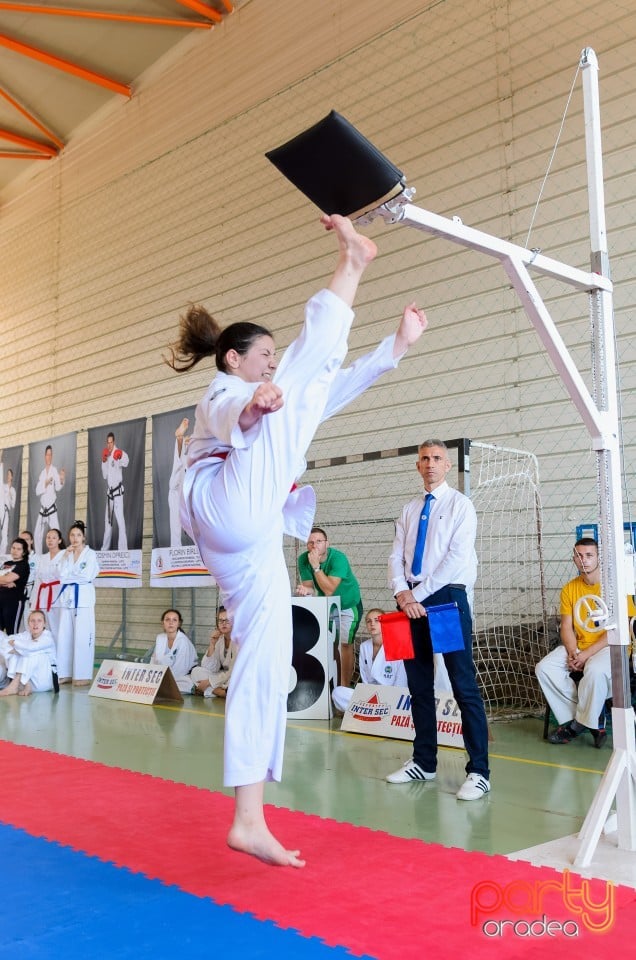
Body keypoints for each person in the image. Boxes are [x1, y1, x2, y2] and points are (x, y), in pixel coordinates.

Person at [168, 213, 427, 867]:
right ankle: (353, 263)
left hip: (242, 540)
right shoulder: (227, 389)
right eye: (264, 356)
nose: (271, 364)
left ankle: (249, 816)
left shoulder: (281, 393)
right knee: (295, 400)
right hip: (222, 504)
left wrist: (394, 348)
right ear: (234, 357)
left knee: (269, 653)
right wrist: (253, 405)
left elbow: (332, 385)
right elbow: (227, 409)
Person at [386, 439, 490, 801]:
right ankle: (424, 761)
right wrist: (402, 593)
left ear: (448, 466)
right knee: (418, 686)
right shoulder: (410, 508)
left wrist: (418, 595)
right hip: (410, 603)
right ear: (418, 466)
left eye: (437, 459)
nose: (430, 464)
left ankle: (479, 771)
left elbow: (456, 559)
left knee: (462, 684)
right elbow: (396, 555)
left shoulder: (462, 506)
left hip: (445, 600)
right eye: (424, 459)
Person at [536, 537, 635, 747]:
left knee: (595, 671)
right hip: (579, 645)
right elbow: (566, 627)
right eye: (579, 556)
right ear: (574, 558)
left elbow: (621, 628)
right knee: (544, 668)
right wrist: (573, 652)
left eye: (589, 555)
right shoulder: (570, 589)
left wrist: (585, 655)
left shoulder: (615, 587)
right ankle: (589, 716)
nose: (584, 560)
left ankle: (577, 725)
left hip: (610, 647)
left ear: (598, 558)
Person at [295, 527, 363, 688]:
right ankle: (329, 685)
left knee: (345, 644)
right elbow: (311, 587)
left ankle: (344, 688)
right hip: (328, 604)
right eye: (310, 542)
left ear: (327, 543)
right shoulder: (303, 560)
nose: (314, 545)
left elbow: (329, 588)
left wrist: (316, 567)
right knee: (330, 644)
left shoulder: (338, 558)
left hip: (348, 604)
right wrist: (306, 591)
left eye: (319, 541)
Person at [332, 608, 407, 712]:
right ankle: (371, 712)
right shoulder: (364, 647)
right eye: (369, 621)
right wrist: (369, 696)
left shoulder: (398, 646)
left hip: (392, 697)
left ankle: (366, 712)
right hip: (370, 696)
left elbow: (401, 684)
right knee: (338, 692)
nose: (372, 624)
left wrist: (390, 699)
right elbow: (365, 678)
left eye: (377, 620)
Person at [53, 520, 99, 685]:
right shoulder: (66, 554)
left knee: (82, 637)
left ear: (83, 537)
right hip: (67, 599)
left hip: (84, 600)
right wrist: (65, 557)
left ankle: (82, 675)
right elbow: (59, 575)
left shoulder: (90, 554)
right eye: (72, 535)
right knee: (64, 636)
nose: (75, 538)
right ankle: (64, 673)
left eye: (78, 535)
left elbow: (86, 576)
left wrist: (67, 577)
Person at [0, 609, 57, 696]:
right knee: (16, 653)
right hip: (26, 683)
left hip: (43, 682)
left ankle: (13, 686)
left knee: (30, 653)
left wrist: (15, 644)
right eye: (32, 621)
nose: (35, 624)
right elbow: (5, 641)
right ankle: (24, 685)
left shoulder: (47, 638)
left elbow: (30, 648)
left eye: (39, 621)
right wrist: (18, 649)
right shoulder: (26, 635)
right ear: (28, 623)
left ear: (44, 623)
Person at [191, 607, 238, 698]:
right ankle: (221, 692)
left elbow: (233, 671)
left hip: (233, 675)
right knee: (196, 672)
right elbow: (210, 668)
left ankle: (215, 691)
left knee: (235, 680)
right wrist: (212, 644)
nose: (223, 624)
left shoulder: (238, 641)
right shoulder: (219, 639)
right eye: (220, 621)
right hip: (222, 678)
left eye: (227, 620)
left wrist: (209, 682)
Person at [150, 609, 198, 694]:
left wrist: (162, 681)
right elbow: (154, 661)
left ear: (179, 624)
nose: (170, 623)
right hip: (162, 675)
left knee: (185, 684)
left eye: (174, 620)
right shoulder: (160, 638)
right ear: (163, 623)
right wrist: (152, 676)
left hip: (182, 676)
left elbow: (181, 669)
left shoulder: (183, 641)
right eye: (167, 619)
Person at [34, 528, 66, 642]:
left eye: (54, 538)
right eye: (48, 537)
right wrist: (35, 600)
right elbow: (38, 580)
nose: (50, 540)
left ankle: (59, 656)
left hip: (59, 595)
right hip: (43, 596)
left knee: (57, 628)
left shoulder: (65, 555)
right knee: (44, 628)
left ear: (59, 540)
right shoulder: (42, 557)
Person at [33, 445, 66, 554]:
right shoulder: (42, 473)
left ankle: (59, 556)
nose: (49, 456)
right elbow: (37, 491)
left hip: (51, 508)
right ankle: (38, 557)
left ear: (52, 456)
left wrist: (61, 479)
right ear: (44, 456)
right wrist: (45, 483)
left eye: (51, 454)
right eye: (47, 454)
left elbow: (58, 487)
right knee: (37, 534)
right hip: (43, 509)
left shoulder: (54, 470)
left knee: (56, 534)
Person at [101, 432, 129, 550]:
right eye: (107, 443)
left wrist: (121, 455)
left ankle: (123, 549)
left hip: (117, 493)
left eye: (111, 442)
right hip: (110, 494)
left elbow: (126, 462)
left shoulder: (118, 452)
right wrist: (103, 461)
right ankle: (104, 549)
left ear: (114, 442)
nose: (109, 445)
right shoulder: (106, 455)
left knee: (120, 521)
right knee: (108, 523)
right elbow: (104, 475)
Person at [0, 537, 30, 636]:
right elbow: (5, 579)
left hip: (13, 602)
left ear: (24, 552)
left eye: (18, 549)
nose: (15, 551)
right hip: (1, 600)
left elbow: (8, 579)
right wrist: (4, 581)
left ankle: (13, 651)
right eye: (13, 548)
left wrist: (6, 579)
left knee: (11, 632)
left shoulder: (23, 565)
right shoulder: (6, 564)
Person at [169, 418, 190, 548]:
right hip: (178, 490)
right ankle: (179, 438)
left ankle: (180, 439)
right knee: (175, 479)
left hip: (190, 493)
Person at [19, 529, 37, 628]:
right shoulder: (15, 558)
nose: (24, 542)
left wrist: (34, 598)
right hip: (17, 592)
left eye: (27, 539)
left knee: (29, 622)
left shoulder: (37, 558)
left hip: (31, 593)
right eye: (21, 539)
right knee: (18, 624)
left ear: (31, 541)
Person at [0, 467, 16, 556]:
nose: (8, 476)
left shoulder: (13, 490)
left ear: (12, 477)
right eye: (7, 474)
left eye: (10, 474)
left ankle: (1, 554)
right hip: (0, 507)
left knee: (4, 534)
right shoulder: (3, 486)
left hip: (6, 510)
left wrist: (9, 496)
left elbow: (13, 505)